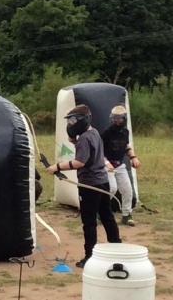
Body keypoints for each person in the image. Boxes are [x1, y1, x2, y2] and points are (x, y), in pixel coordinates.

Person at [46, 104, 121, 268]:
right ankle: (117, 248)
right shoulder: (94, 133)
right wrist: (75, 142)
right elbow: (89, 154)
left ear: (83, 120)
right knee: (107, 216)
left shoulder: (85, 138)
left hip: (90, 185)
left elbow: (80, 162)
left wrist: (56, 167)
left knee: (89, 222)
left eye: (73, 121)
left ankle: (90, 256)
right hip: (102, 182)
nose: (71, 124)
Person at [100, 105, 141, 226]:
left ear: (124, 119)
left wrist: (133, 157)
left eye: (119, 119)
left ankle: (126, 215)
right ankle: (100, 212)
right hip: (107, 166)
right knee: (111, 188)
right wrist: (107, 163)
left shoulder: (125, 132)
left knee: (127, 190)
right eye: (114, 118)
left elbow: (126, 146)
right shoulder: (106, 133)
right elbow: (99, 151)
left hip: (119, 165)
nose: (116, 121)